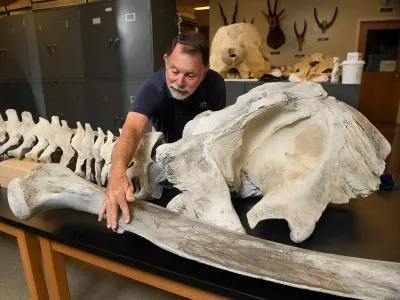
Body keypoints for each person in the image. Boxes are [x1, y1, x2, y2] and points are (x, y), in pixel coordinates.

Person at [98, 32, 226, 230]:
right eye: (174, 71)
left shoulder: (215, 84)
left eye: (190, 75)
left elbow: (218, 133)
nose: (179, 82)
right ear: (166, 61)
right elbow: (131, 129)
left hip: (203, 158)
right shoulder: (153, 87)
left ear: (204, 72)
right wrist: (117, 172)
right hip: (166, 164)